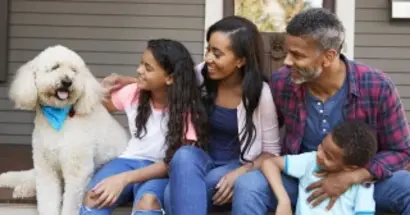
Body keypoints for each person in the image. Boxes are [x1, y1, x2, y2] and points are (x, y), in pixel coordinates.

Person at [232, 8, 410, 215]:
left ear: (328, 56)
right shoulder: (283, 82)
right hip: (302, 179)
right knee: (248, 186)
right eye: (289, 52)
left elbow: (401, 152)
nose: (287, 61)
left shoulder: (376, 86)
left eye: (297, 55)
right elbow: (265, 135)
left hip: (362, 183)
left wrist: (352, 177)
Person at [163, 16, 281, 215]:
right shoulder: (201, 75)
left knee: (170, 195)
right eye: (208, 49)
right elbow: (165, 82)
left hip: (239, 164)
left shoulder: (260, 94)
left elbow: (271, 151)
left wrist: (239, 173)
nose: (208, 58)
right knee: (183, 156)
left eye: (217, 54)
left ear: (241, 60)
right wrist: (129, 81)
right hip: (201, 160)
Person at [78, 39, 208, 215]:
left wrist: (124, 179)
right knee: (94, 197)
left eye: (148, 68)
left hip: (160, 170)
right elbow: (102, 105)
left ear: (170, 77)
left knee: (149, 202)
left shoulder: (187, 109)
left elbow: (172, 163)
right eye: (141, 64)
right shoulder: (134, 93)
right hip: (127, 161)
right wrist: (106, 87)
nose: (139, 70)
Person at [261, 120, 377, 215]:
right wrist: (283, 201)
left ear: (350, 168)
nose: (319, 154)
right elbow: (269, 163)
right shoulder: (310, 161)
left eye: (328, 156)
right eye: (321, 146)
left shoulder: (363, 185)